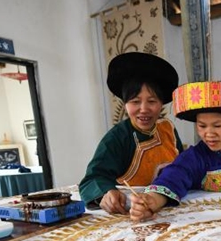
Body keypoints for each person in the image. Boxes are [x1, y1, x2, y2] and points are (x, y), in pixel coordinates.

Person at [130, 81, 221, 222]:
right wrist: (152, 200)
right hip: (209, 224)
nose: (209, 134)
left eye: (218, 126)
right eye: (202, 126)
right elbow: (172, 178)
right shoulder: (194, 157)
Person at [78, 52, 184, 214]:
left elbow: (182, 166)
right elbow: (92, 179)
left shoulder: (167, 128)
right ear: (125, 104)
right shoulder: (117, 138)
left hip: (167, 205)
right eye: (135, 102)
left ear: (161, 103)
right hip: (132, 212)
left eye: (152, 101)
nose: (144, 109)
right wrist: (106, 193)